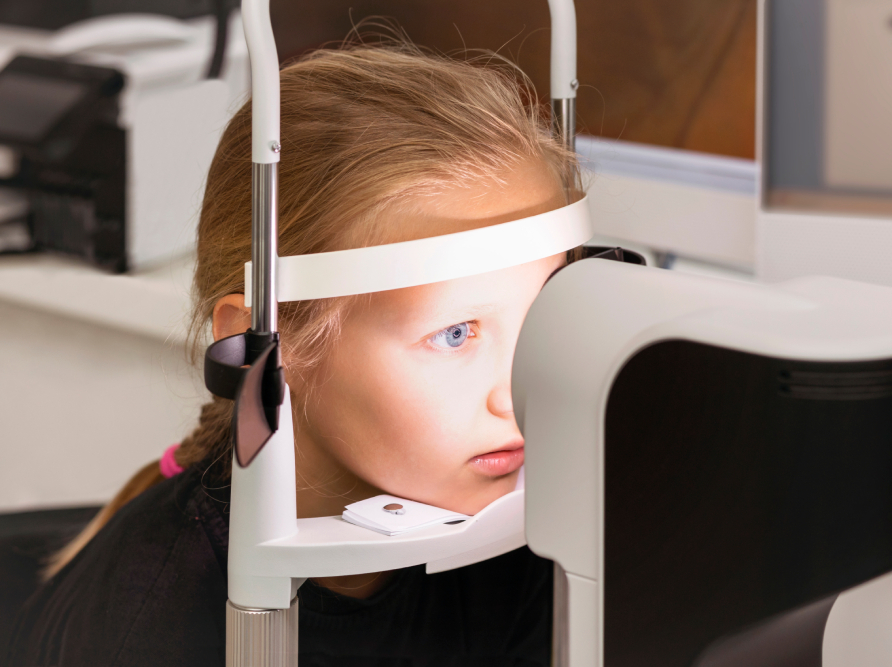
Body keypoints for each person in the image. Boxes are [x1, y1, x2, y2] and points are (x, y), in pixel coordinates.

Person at [5, 37, 581, 667]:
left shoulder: (520, 536)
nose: (517, 394)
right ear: (268, 344)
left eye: (542, 317)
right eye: (455, 334)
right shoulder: (152, 621)